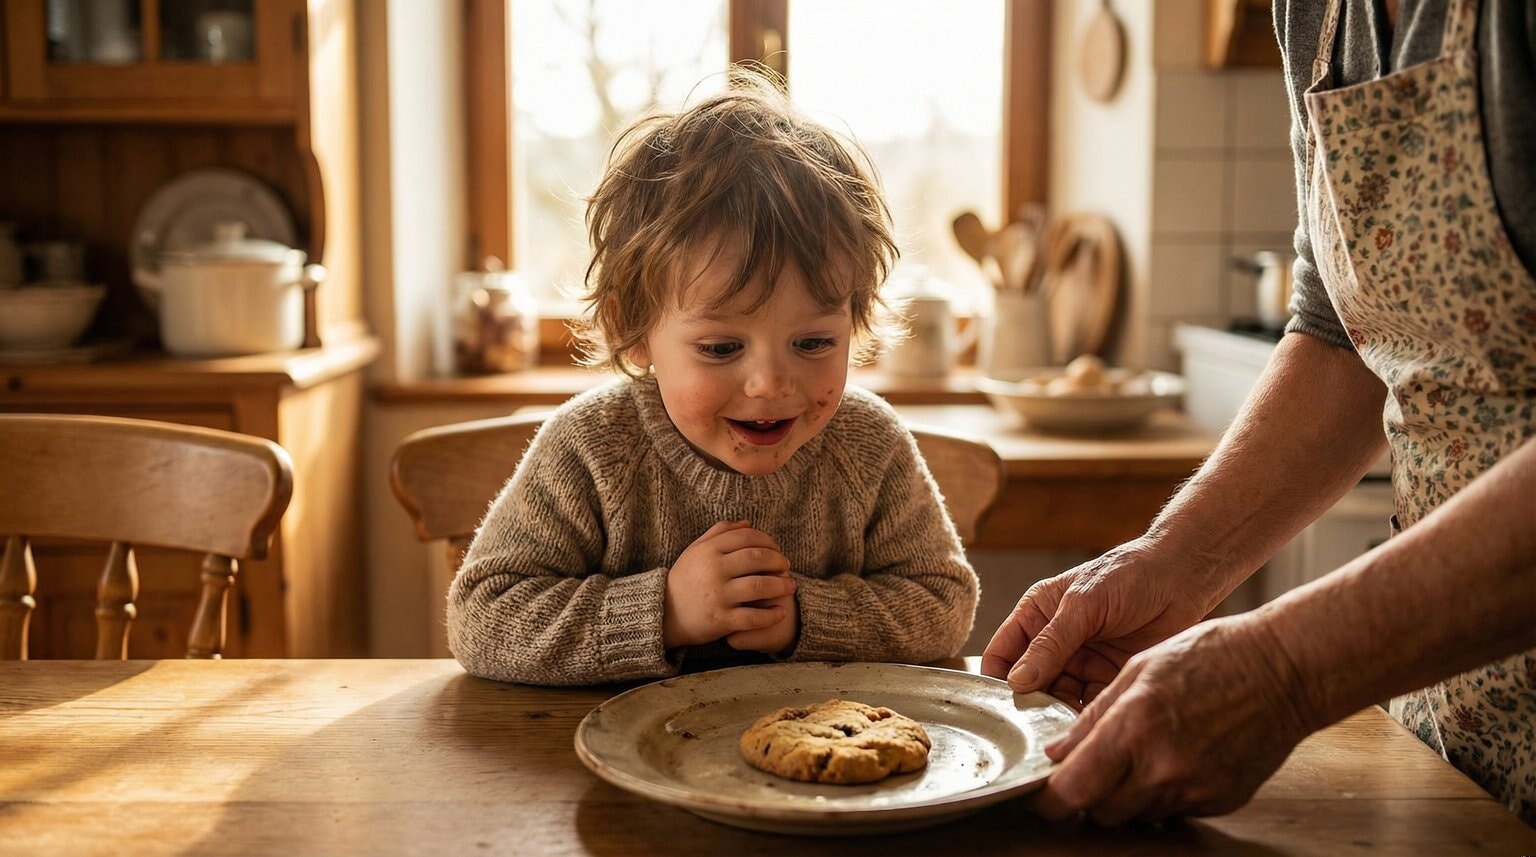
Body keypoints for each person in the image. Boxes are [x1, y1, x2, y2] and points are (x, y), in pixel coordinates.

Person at [982, 0, 1536, 825]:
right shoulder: (1312, 12)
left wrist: (1287, 667)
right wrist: (1175, 559)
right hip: (1451, 719)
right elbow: (1341, 336)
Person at [448, 70, 979, 687]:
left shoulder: (869, 445)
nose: (770, 383)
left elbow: (944, 605)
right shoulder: (591, 448)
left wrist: (804, 617)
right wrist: (664, 613)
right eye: (722, 346)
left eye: (814, 342)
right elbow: (481, 619)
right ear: (637, 331)